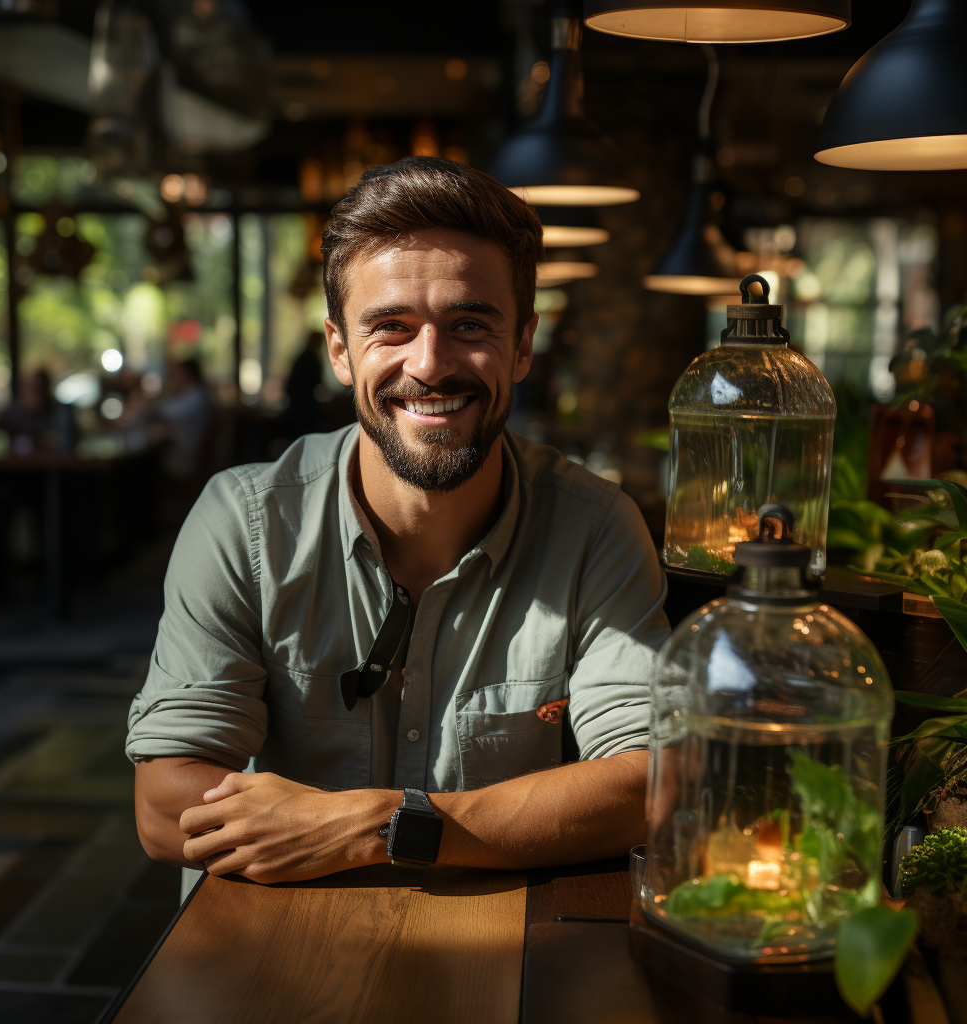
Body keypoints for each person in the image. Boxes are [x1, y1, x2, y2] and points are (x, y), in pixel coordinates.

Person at [126, 157, 669, 887]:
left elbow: (651, 788)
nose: (431, 363)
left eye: (469, 323)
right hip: (268, 951)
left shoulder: (597, 527)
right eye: (391, 327)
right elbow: (162, 810)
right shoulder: (244, 523)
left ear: (522, 345)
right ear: (340, 350)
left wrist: (379, 827)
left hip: (504, 953)